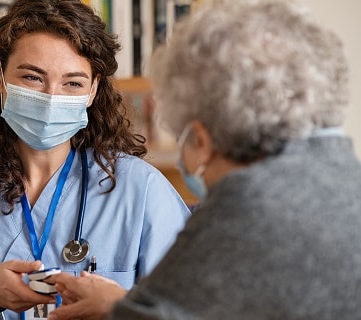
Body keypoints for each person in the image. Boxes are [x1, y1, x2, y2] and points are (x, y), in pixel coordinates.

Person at [47, 0, 361, 319]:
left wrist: (116, 311)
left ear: (201, 140)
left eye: (182, 136)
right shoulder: (344, 175)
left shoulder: (243, 210)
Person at [0, 0, 190, 319]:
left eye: (72, 83)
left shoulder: (141, 189)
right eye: (33, 78)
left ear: (93, 90)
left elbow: (197, 310)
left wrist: (120, 308)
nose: (51, 97)